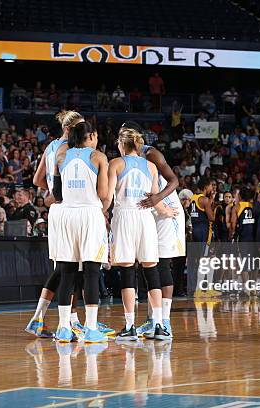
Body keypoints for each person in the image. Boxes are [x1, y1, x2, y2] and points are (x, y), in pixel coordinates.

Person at [106, 127, 176, 341]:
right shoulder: (151, 166)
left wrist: (99, 216)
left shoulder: (116, 163)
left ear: (121, 144)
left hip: (125, 217)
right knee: (151, 271)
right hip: (146, 219)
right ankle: (158, 325)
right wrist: (168, 211)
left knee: (128, 272)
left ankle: (130, 326)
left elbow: (108, 198)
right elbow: (154, 199)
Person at [25, 111, 89, 339]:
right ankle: (71, 321)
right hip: (71, 209)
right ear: (72, 128)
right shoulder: (72, 150)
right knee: (72, 269)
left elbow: (36, 180)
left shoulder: (51, 146)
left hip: (57, 211)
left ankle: (40, 318)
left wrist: (52, 193)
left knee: (63, 268)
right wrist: (60, 193)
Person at [52, 121, 109, 343]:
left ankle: (64, 328)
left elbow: (57, 193)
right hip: (89, 214)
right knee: (92, 272)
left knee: (67, 272)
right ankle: (91, 328)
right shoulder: (98, 157)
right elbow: (103, 193)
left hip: (67, 215)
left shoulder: (61, 156)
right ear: (92, 136)